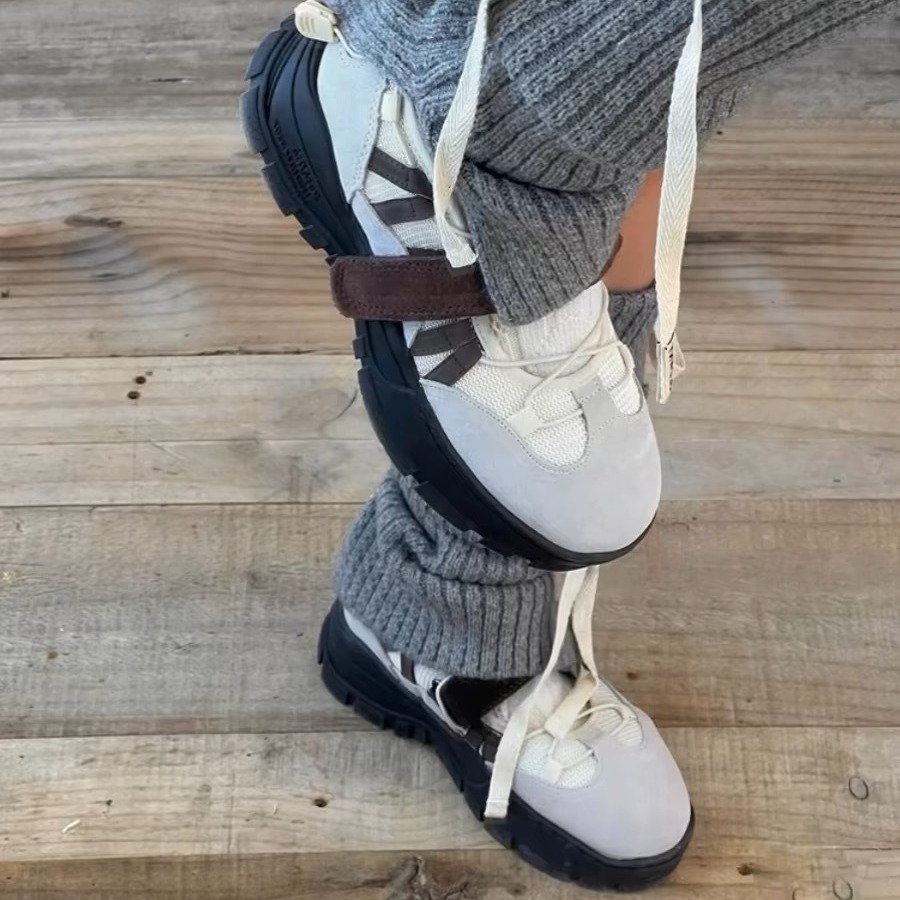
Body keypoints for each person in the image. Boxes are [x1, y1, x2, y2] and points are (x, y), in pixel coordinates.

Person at [241, 0, 898, 888]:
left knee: (645, 105)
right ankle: (457, 127)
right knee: (601, 110)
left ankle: (436, 610)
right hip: (469, 108)